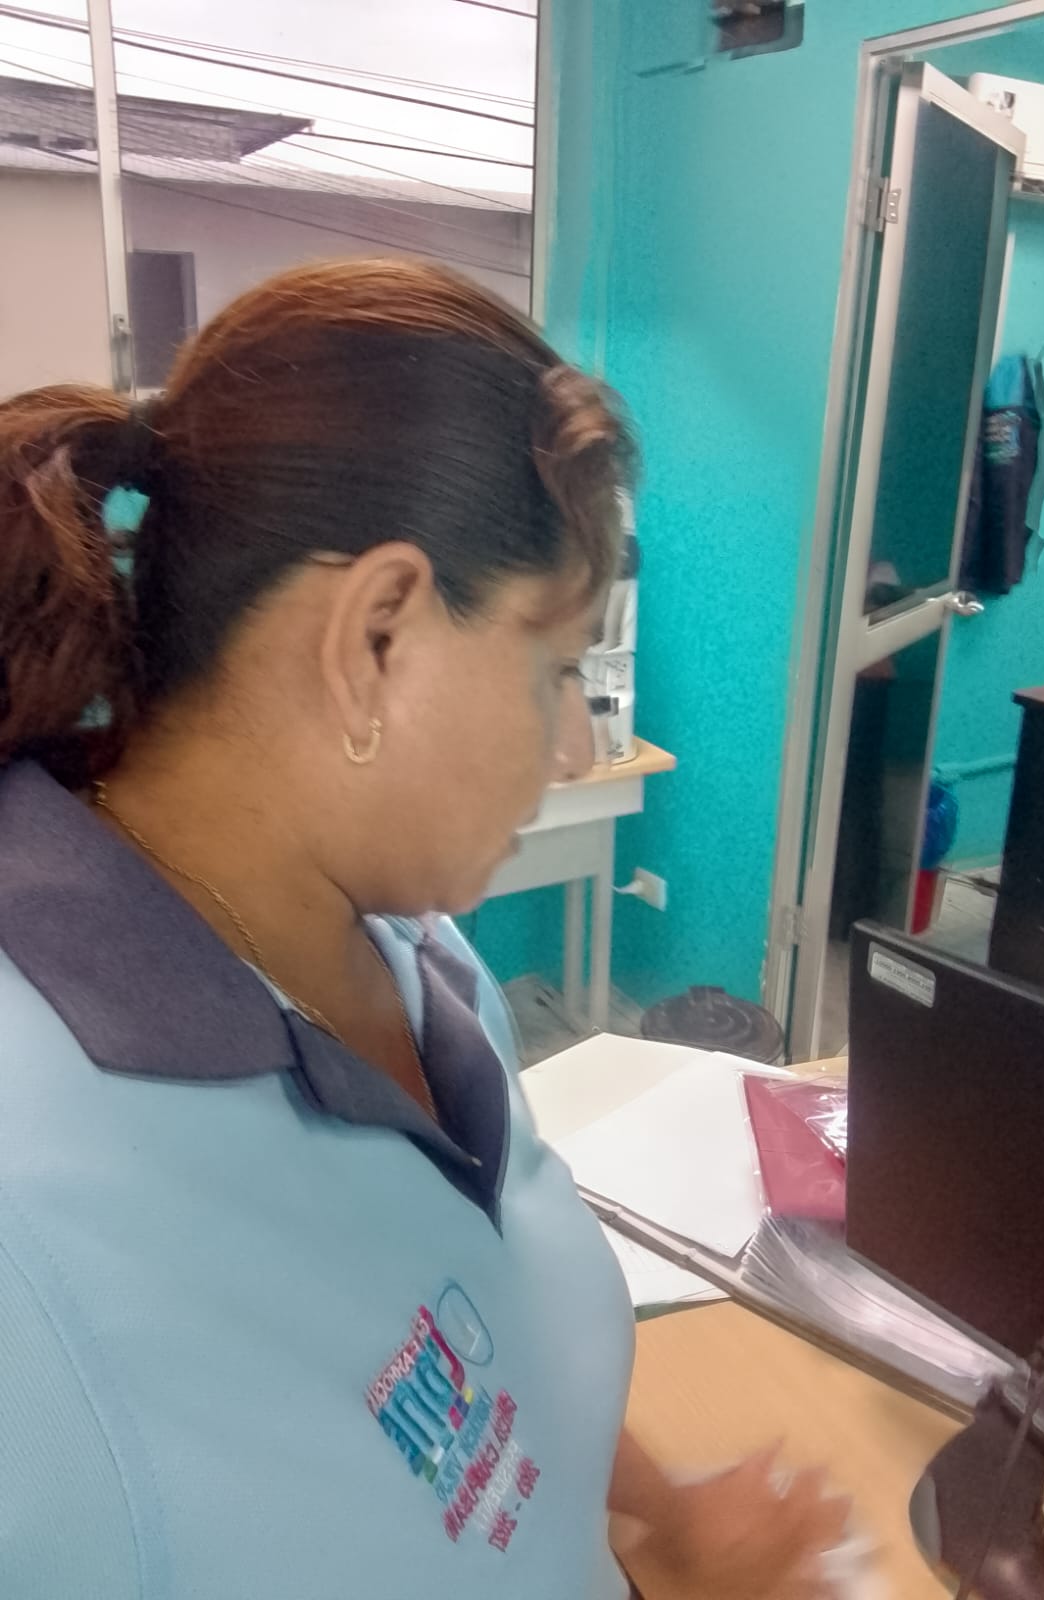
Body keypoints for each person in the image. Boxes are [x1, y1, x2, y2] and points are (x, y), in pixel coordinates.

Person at [0, 259, 845, 1598]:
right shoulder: (35, 1238)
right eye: (554, 670)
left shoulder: (412, 952)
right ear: (376, 637)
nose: (576, 748)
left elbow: (490, 1330)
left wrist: (659, 1525)